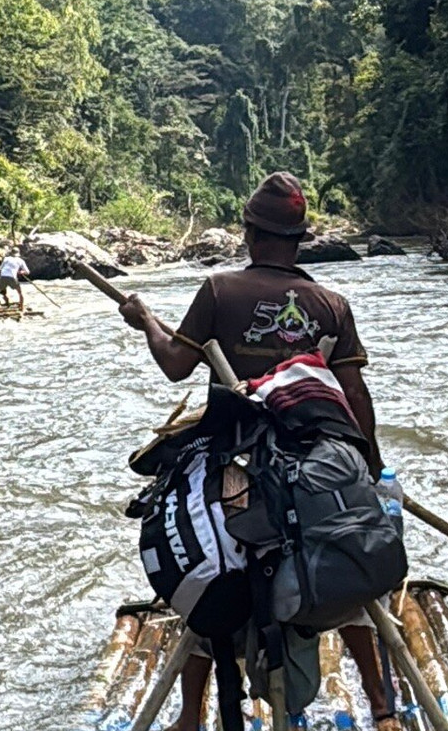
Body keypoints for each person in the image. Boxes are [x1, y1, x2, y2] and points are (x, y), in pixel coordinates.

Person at [118, 171, 399, 731]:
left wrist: (145, 321)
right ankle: (381, 703)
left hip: (236, 471)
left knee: (215, 573)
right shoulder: (332, 304)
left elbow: (175, 364)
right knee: (348, 567)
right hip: (317, 465)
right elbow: (355, 394)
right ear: (301, 240)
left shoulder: (220, 290)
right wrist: (368, 469)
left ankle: (190, 717)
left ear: (249, 233)